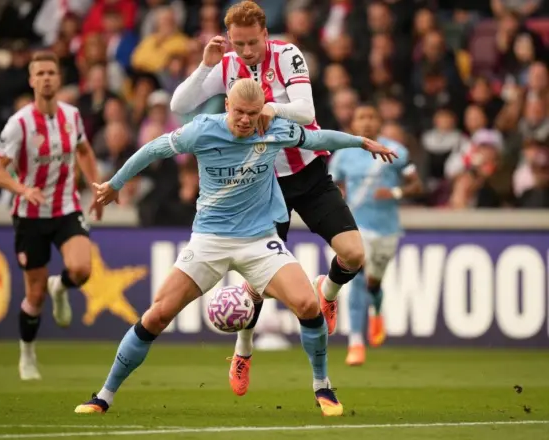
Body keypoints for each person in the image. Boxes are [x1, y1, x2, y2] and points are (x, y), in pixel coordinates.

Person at [74, 79, 396, 416]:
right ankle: (104, 396)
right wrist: (115, 184)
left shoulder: (274, 129)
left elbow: (317, 139)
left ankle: (322, 387)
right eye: (239, 112)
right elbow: (153, 149)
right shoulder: (201, 130)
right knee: (157, 314)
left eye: (253, 114)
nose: (245, 120)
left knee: (307, 304)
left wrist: (360, 142)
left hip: (259, 240)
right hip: (209, 241)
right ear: (227, 105)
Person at [169, 0, 367, 396]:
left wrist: (269, 108)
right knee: (257, 281)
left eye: (252, 42)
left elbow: (306, 111)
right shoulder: (226, 65)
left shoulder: (288, 54)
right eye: (238, 43)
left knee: (355, 253)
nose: (245, 51)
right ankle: (243, 350)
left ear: (265, 33)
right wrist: (205, 66)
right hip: (262, 183)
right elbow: (179, 106)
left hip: (307, 172)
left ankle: (327, 292)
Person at [0, 51, 103, 380]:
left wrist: (96, 187)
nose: (46, 78)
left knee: (81, 269)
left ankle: (60, 287)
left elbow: (84, 151)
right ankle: (27, 355)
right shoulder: (19, 123)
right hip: (30, 216)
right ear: (31, 80)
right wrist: (22, 189)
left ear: (59, 78)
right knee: (34, 295)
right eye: (40, 74)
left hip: (66, 207)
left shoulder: (72, 116)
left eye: (51, 72)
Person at [329, 104, 423, 366]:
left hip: (387, 229)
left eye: (372, 117)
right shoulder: (343, 154)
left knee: (374, 282)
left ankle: (377, 311)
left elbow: (417, 185)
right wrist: (338, 197)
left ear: (380, 123)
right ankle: (356, 342)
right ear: (354, 124)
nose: (367, 122)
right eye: (361, 117)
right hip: (356, 227)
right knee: (357, 279)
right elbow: (331, 185)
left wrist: (395, 193)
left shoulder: (396, 151)